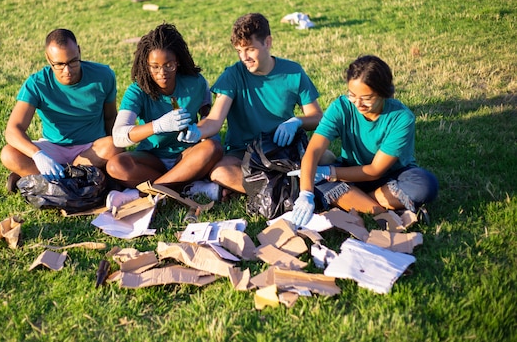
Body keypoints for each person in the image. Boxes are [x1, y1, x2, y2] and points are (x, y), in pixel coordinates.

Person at [179, 12, 324, 198]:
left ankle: (268, 188)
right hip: (243, 152)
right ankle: (288, 189)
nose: (244, 57)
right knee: (220, 173)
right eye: (239, 51)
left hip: (282, 149)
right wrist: (196, 131)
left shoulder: (293, 72)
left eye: (249, 49)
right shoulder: (232, 75)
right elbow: (215, 120)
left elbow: (317, 117)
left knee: (325, 156)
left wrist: (295, 121)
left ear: (268, 42)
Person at [291, 55, 439, 227]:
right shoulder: (341, 107)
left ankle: (355, 202)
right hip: (351, 172)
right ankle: (388, 212)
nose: (358, 103)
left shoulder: (401, 118)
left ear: (384, 93)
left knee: (424, 185)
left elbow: (375, 170)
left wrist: (330, 173)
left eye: (367, 98)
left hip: (391, 177)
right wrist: (306, 194)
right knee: (312, 176)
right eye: (352, 95)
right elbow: (314, 150)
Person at [105, 23, 223, 207]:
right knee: (115, 166)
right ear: (145, 65)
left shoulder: (196, 83)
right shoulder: (137, 90)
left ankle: (147, 192)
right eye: (155, 66)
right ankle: (187, 186)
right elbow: (119, 137)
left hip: (187, 156)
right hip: (151, 159)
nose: (162, 73)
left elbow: (209, 122)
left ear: (178, 61)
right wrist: (157, 126)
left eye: (169, 65)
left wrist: (199, 132)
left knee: (213, 147)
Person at [0, 28, 122, 192]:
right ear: (48, 59)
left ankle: (44, 179)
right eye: (59, 64)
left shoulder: (103, 75)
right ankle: (83, 178)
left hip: (91, 148)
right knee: (9, 154)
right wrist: (38, 155)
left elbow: (110, 117)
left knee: (115, 144)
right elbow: (13, 130)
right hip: (53, 148)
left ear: (79, 51)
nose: (67, 70)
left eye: (73, 61)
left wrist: (113, 153)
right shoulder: (37, 83)